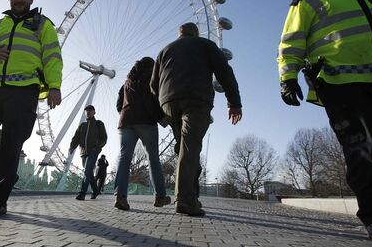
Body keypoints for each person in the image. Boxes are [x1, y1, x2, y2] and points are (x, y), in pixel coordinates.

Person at [278, 0, 372, 244]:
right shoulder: (308, 3)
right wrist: (287, 77)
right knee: (363, 149)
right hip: (343, 85)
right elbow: (291, 42)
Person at [0, 0, 63, 218]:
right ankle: (8, 176)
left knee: (12, 144)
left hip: (24, 90)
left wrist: (54, 86)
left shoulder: (44, 25)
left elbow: (52, 57)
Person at [151, 22, 242, 216]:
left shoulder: (164, 50)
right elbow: (225, 72)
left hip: (168, 102)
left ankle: (191, 196)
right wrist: (234, 102)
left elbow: (153, 84)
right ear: (196, 33)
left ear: (180, 33)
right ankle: (183, 199)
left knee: (185, 148)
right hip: (196, 99)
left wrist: (161, 108)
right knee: (191, 147)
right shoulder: (205, 44)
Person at [114, 57, 171, 211]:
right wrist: (161, 118)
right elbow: (150, 100)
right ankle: (160, 196)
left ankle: (120, 195)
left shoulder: (126, 83)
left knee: (124, 158)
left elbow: (119, 104)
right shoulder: (151, 79)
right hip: (146, 122)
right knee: (153, 158)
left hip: (126, 122)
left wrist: (126, 114)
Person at [69, 105, 107, 200]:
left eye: (90, 110)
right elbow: (76, 138)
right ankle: (95, 190)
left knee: (87, 171)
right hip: (83, 153)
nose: (88, 112)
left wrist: (97, 147)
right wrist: (72, 147)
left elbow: (104, 138)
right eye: (87, 111)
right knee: (88, 172)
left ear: (94, 112)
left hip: (93, 151)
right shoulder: (82, 125)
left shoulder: (99, 124)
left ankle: (82, 193)